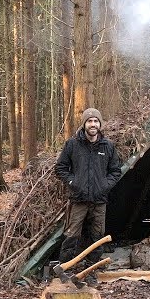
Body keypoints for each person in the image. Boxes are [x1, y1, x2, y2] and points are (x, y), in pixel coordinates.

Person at [55, 107, 122, 286]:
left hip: (99, 201)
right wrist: (73, 182)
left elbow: (115, 171)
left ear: (100, 124)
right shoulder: (73, 145)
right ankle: (64, 270)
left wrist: (105, 186)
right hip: (78, 200)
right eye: (90, 121)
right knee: (71, 235)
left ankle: (91, 271)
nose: (93, 124)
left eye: (96, 121)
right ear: (84, 124)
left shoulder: (107, 146)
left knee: (97, 237)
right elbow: (60, 168)